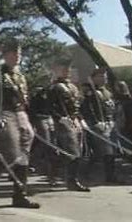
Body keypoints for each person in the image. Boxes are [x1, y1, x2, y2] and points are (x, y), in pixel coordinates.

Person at [0, 41, 40, 209]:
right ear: (5, 55)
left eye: (19, 53)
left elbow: (26, 101)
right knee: (13, 154)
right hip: (6, 114)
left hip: (22, 114)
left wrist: (31, 119)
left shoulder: (20, 76)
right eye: (13, 53)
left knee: (23, 155)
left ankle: (19, 196)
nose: (17, 56)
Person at [46, 58, 90, 191]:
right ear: (56, 70)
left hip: (74, 120)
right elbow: (50, 106)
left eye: (68, 68)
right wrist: (59, 118)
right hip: (62, 122)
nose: (67, 71)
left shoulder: (72, 87)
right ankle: (72, 181)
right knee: (72, 151)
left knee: (76, 150)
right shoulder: (54, 87)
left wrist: (81, 119)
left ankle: (55, 175)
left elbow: (76, 106)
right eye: (63, 68)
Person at [80, 68, 124, 184]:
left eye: (105, 76)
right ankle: (85, 173)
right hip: (99, 124)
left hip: (110, 123)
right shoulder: (91, 92)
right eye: (100, 76)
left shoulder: (107, 92)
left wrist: (114, 120)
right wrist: (96, 122)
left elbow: (111, 108)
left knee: (110, 151)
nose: (104, 78)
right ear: (94, 78)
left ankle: (110, 175)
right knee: (104, 151)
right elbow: (88, 109)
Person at [28, 86, 58, 185]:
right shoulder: (36, 99)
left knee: (52, 148)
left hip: (49, 120)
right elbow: (32, 113)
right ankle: (49, 175)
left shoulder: (50, 97)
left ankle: (51, 175)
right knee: (47, 146)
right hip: (40, 120)